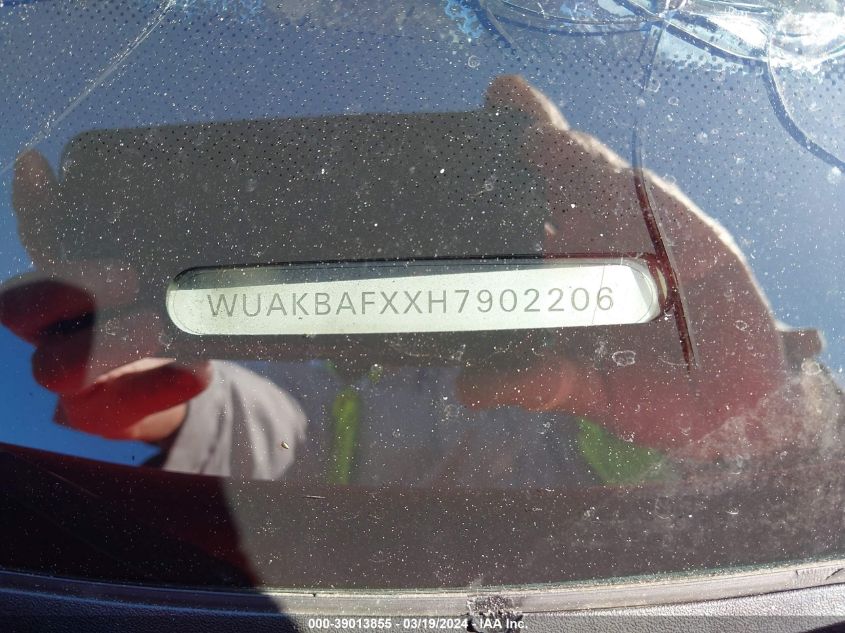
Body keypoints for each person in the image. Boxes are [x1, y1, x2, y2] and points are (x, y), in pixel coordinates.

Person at [1, 76, 841, 485]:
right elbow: (259, 420)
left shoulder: (611, 405)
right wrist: (162, 400)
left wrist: (769, 414)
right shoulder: (295, 355)